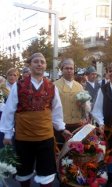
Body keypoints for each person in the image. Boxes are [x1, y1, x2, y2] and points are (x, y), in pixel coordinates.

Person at [0, 52, 72, 187]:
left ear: (45, 66)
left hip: (46, 137)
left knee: (47, 174)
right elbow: (9, 111)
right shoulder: (19, 85)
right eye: (36, 61)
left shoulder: (51, 86)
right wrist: (7, 134)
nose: (39, 64)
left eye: (42, 62)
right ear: (30, 64)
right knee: (24, 172)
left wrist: (61, 128)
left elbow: (57, 110)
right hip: (24, 137)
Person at [54, 58, 89, 149]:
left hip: (77, 125)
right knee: (61, 153)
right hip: (62, 127)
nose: (69, 70)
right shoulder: (54, 86)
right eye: (66, 68)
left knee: (76, 153)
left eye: (71, 68)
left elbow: (86, 107)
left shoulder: (79, 86)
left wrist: (84, 106)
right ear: (62, 69)